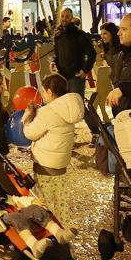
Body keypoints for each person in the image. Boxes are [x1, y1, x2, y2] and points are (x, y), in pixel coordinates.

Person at [22, 74, 84, 224]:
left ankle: (48, 228)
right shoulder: (68, 108)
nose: (43, 95)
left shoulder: (48, 112)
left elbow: (30, 133)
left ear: (49, 92)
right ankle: (63, 224)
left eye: (43, 92)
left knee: (44, 199)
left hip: (45, 162)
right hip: (61, 161)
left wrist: (28, 117)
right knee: (59, 196)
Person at [52, 8, 96, 98]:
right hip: (61, 77)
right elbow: (56, 53)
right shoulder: (58, 34)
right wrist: (53, 62)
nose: (64, 18)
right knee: (64, 106)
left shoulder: (79, 34)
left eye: (67, 16)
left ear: (72, 18)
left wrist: (85, 70)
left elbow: (92, 53)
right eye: (62, 16)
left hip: (76, 77)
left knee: (76, 104)